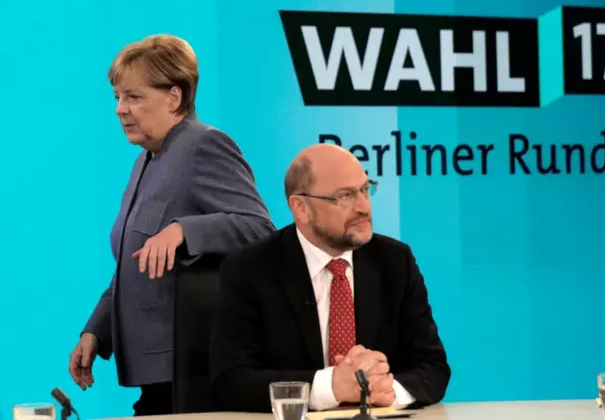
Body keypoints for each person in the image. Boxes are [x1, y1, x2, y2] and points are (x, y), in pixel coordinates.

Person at [68, 34, 275, 416]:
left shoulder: (204, 145)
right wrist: (96, 330)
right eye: (117, 97)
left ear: (174, 97)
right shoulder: (146, 159)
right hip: (158, 376)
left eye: (133, 97)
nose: (120, 109)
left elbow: (260, 229)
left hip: (195, 374)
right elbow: (136, 264)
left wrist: (183, 230)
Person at [209, 143, 451, 413]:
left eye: (364, 189)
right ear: (300, 208)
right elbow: (231, 381)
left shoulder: (395, 262)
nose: (363, 207)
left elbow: (433, 365)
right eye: (345, 196)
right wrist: (330, 387)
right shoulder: (250, 270)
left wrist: (387, 391)